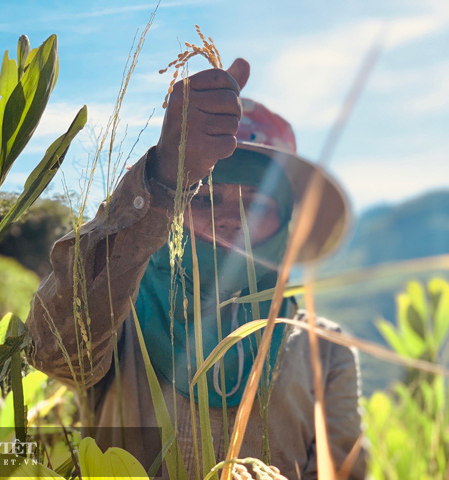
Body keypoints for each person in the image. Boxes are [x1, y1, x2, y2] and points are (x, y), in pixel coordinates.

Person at [27, 58, 365, 479]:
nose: (230, 219)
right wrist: (166, 173)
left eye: (255, 203)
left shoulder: (324, 349)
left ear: (287, 222)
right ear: (176, 209)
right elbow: (50, 350)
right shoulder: (121, 310)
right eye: (204, 198)